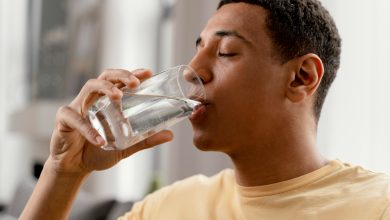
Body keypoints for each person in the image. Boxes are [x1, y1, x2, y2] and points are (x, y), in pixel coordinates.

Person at [21, 0, 390, 219]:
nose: (194, 70)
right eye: (197, 49)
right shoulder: (168, 207)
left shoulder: (377, 206)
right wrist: (64, 173)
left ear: (301, 78)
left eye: (226, 52)